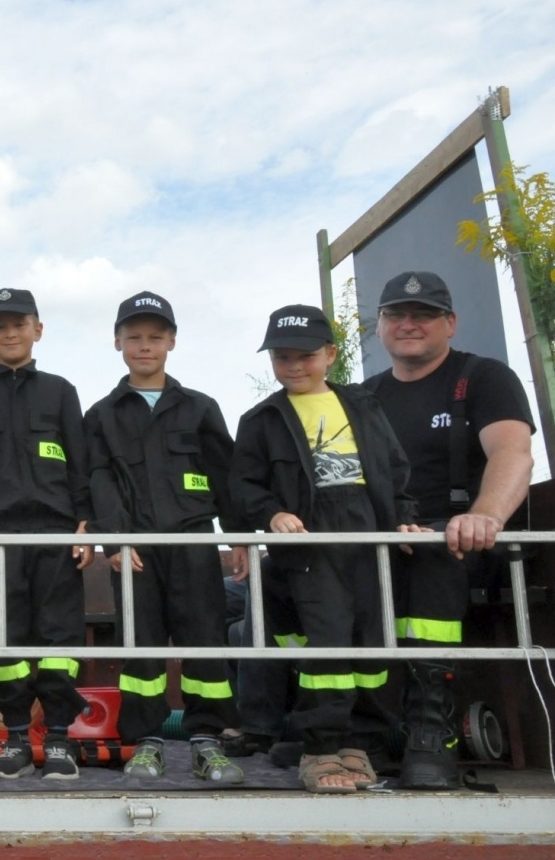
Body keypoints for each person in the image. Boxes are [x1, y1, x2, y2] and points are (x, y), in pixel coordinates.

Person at [232, 304, 424, 793]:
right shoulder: (261, 418)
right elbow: (246, 486)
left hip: (368, 535)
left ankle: (361, 746)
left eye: (306, 356)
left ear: (331, 354)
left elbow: (394, 469)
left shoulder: (364, 404)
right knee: (329, 640)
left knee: (372, 638)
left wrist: (403, 521)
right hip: (309, 544)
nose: (294, 366)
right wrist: (272, 514)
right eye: (282, 358)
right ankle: (320, 749)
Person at [363, 271, 536, 789]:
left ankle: (429, 731)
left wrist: (483, 515)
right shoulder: (363, 397)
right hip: (379, 541)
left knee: (439, 553)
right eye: (397, 314)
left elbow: (514, 454)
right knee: (296, 573)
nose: (409, 324)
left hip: (460, 540)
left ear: (451, 324)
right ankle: (335, 732)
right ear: (380, 327)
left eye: (424, 315)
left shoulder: (483, 378)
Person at [83, 291, 247, 785]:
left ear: (172, 342)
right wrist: (114, 543)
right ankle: (146, 742)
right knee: (141, 648)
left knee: (206, 642)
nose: (145, 346)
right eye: (134, 337)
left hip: (194, 544)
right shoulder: (101, 415)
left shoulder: (200, 408)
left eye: (155, 337)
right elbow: (97, 482)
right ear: (117, 342)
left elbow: (227, 475)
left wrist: (238, 536)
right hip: (135, 551)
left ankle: (208, 743)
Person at [0, 289, 90, 782]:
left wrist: (86, 523)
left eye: (19, 324)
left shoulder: (60, 391)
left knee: (58, 639)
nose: (9, 333)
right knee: (7, 644)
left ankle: (57, 740)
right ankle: (12, 739)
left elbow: (81, 462)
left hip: (55, 534)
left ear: (38, 329)